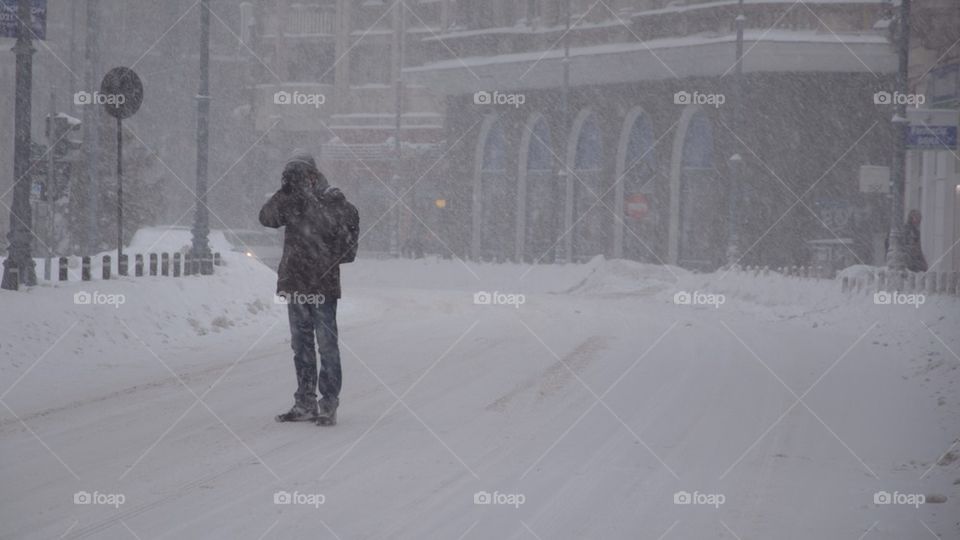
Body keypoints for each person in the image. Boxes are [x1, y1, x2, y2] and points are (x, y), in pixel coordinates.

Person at [259, 151, 357, 426]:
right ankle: (304, 402)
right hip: (296, 285)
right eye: (291, 177)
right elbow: (266, 218)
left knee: (326, 346)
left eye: (300, 176)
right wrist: (285, 191)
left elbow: (348, 252)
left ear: (314, 176)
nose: (298, 182)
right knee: (300, 346)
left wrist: (324, 206)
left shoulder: (332, 202)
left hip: (322, 287)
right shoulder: (290, 201)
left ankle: (328, 403)